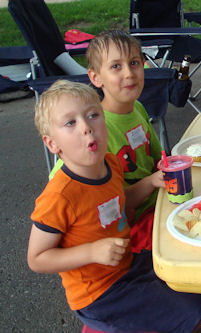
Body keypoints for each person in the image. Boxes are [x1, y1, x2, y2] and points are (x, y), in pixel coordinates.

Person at [29, 80, 201, 332]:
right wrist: (90, 252)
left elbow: (121, 200)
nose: (87, 128)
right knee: (189, 313)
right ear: (52, 144)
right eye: (71, 123)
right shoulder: (59, 196)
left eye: (92, 115)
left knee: (192, 277)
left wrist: (151, 182)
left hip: (127, 263)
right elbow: (37, 259)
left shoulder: (110, 164)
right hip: (99, 293)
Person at [49, 30, 164, 253]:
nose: (129, 73)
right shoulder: (95, 129)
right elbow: (60, 178)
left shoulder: (138, 108)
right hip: (134, 229)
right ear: (95, 78)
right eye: (116, 67)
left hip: (160, 205)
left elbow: (159, 159)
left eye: (134, 63)